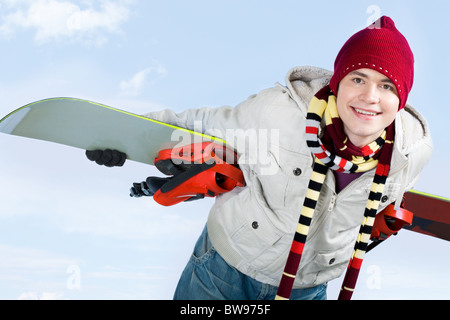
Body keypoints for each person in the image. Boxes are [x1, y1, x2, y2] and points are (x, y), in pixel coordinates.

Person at [86, 16, 432, 300]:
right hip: (226, 270)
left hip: (306, 289)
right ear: (338, 82)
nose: (370, 97)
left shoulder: (409, 154)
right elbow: (201, 124)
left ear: (400, 99)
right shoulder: (277, 113)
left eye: (387, 86)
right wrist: (124, 136)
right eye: (359, 78)